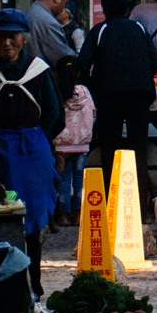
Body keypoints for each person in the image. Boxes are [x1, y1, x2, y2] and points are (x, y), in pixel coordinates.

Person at [0, 8, 62, 298]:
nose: (6, 44)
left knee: (31, 221)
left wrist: (37, 140)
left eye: (13, 37)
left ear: (23, 39)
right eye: (1, 37)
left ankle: (34, 285)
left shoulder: (38, 71)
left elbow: (53, 114)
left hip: (30, 156)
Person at [81, 0, 157, 221]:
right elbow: (153, 61)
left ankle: (109, 208)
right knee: (139, 151)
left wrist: (92, 87)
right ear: (127, 8)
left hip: (108, 97)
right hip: (139, 95)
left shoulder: (99, 30)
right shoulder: (140, 28)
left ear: (103, 9)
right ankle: (141, 211)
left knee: (109, 151)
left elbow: (83, 63)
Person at [51, 82, 95, 230]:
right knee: (79, 180)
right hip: (82, 143)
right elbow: (93, 113)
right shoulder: (85, 91)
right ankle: (78, 215)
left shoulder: (59, 90)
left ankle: (64, 216)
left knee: (63, 181)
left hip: (62, 143)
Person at [25, 0, 77, 67]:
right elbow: (62, 55)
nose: (63, 8)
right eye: (65, 3)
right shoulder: (48, 22)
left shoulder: (30, 12)